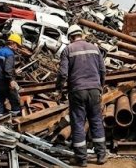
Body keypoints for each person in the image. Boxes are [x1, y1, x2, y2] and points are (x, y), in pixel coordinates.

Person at [57, 25, 106, 167]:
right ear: (81, 35)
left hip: (77, 91)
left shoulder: (68, 50)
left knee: (78, 123)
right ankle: (101, 155)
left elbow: (63, 74)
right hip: (95, 89)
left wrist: (59, 88)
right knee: (96, 121)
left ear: (71, 37)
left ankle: (82, 159)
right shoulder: (95, 48)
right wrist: (100, 86)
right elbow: (102, 70)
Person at [0, 33, 22, 118]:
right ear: (13, 43)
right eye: (17, 45)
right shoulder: (10, 54)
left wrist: (14, 71)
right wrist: (11, 80)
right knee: (13, 96)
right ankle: (16, 114)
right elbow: (7, 69)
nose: (17, 48)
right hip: (4, 80)